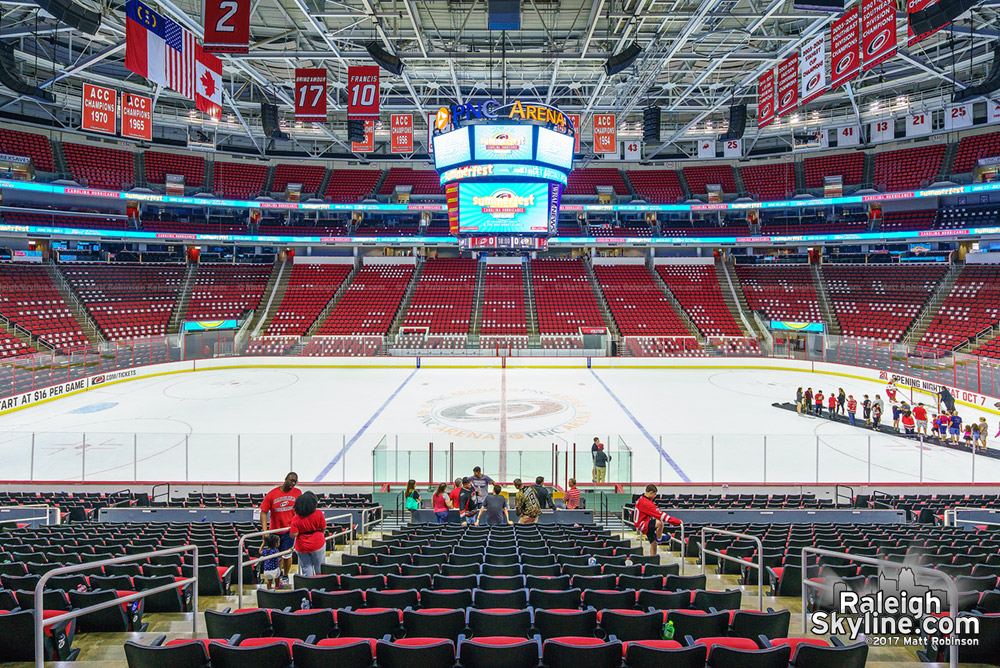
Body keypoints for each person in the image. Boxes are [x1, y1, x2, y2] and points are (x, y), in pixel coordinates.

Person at [260, 472, 301, 583]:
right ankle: (278, 574)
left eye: (295, 481)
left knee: (287, 554)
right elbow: (263, 512)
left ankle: (286, 575)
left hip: (289, 530)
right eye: (291, 480)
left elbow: (300, 510)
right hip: (275, 531)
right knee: (277, 556)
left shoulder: (297, 493)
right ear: (285, 479)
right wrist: (265, 532)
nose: (293, 483)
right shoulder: (272, 494)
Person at [633, 484, 682, 556]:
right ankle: (660, 538)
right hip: (643, 524)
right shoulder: (646, 503)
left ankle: (653, 559)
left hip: (642, 522)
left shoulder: (642, 498)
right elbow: (661, 516)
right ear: (650, 493)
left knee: (653, 543)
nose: (655, 496)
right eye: (654, 494)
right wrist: (677, 522)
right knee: (660, 523)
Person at [288, 491, 326, 577]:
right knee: (319, 566)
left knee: (306, 567)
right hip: (317, 544)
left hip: (302, 546)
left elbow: (293, 534)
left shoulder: (296, 518)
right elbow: (323, 528)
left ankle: (310, 586)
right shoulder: (318, 513)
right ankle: (321, 584)